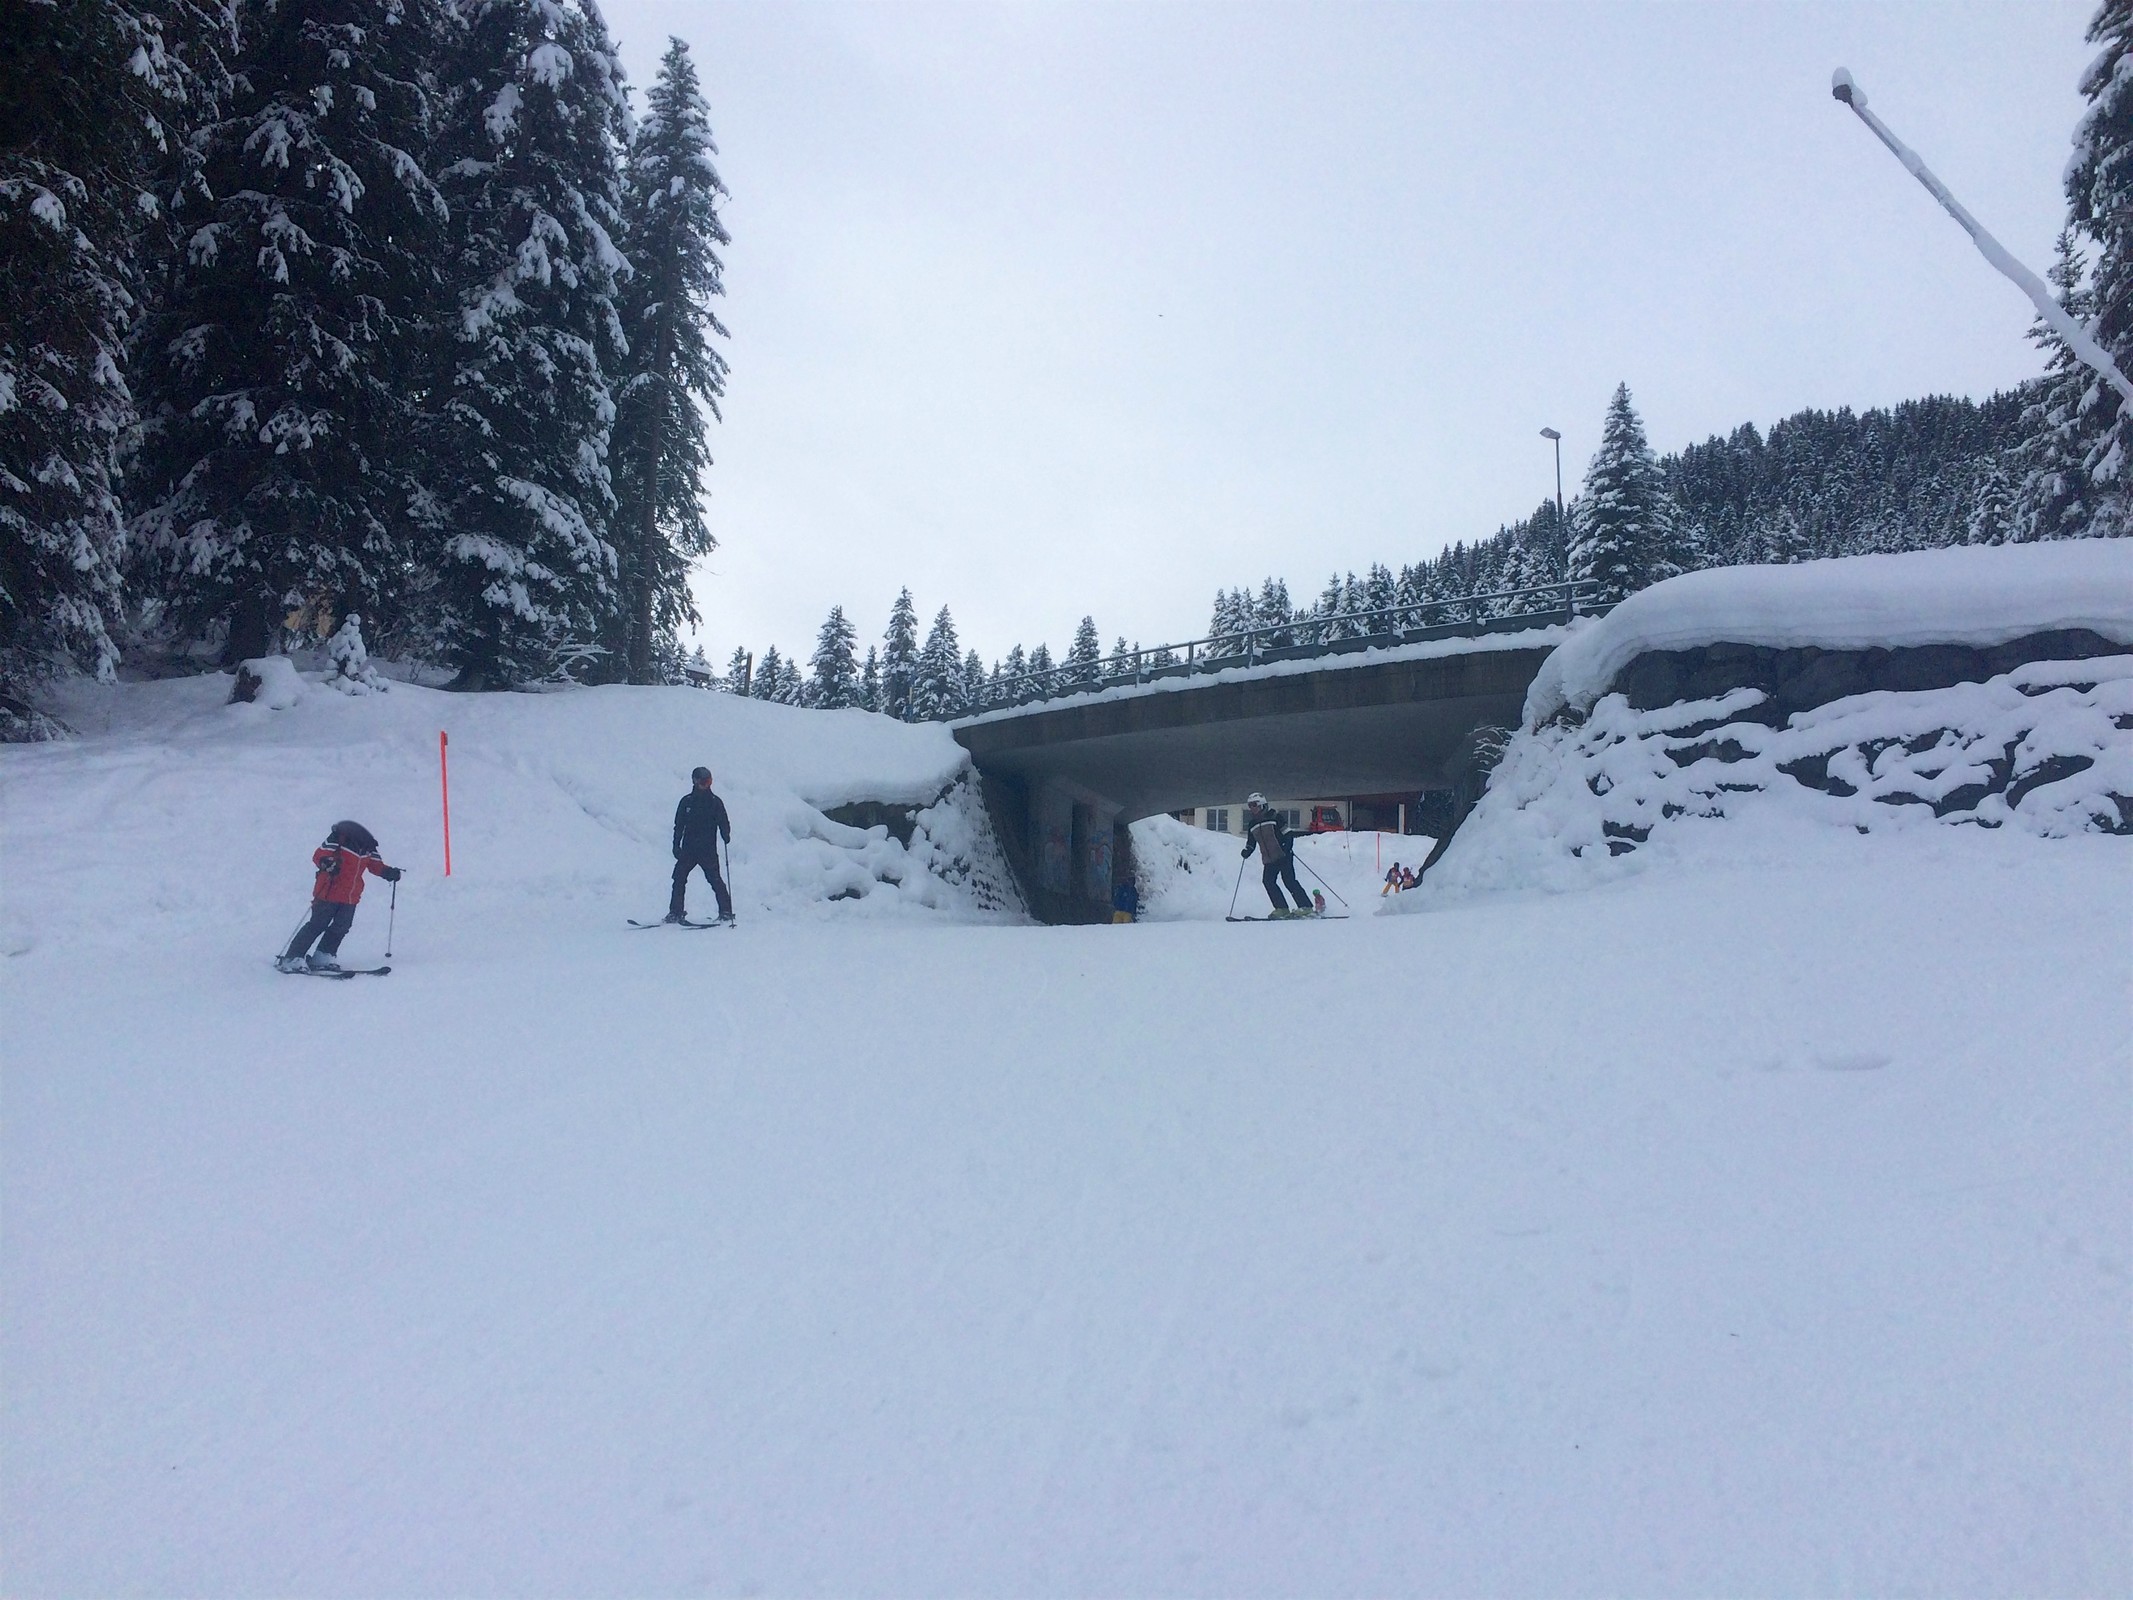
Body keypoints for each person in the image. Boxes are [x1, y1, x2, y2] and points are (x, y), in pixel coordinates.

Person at [278, 820, 400, 972]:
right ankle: (292, 957)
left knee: (342, 927)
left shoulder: (368, 847)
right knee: (317, 925)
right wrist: (326, 862)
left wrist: (388, 872)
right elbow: (319, 855)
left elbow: (376, 865)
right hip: (328, 892)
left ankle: (324, 955)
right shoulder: (338, 839)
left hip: (350, 896)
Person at [670, 766, 734, 923]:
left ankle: (726, 911)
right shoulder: (687, 802)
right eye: (704, 782)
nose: (707, 785)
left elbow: (723, 820)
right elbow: (679, 825)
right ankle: (676, 912)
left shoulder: (715, 802)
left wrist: (725, 833)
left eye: (709, 782)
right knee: (679, 878)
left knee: (715, 880)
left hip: (707, 850)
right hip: (689, 849)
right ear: (695, 781)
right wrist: (676, 844)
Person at [1240, 793, 1312, 917]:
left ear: (1262, 805)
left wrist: (1286, 849)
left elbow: (1288, 834)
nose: (1252, 808)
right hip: (1269, 859)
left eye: (1254, 805)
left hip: (1283, 855)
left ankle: (1305, 906)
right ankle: (1281, 908)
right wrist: (1247, 850)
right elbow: (1251, 842)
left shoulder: (1275, 817)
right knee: (1268, 881)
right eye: (1250, 805)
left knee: (1289, 881)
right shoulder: (1252, 824)